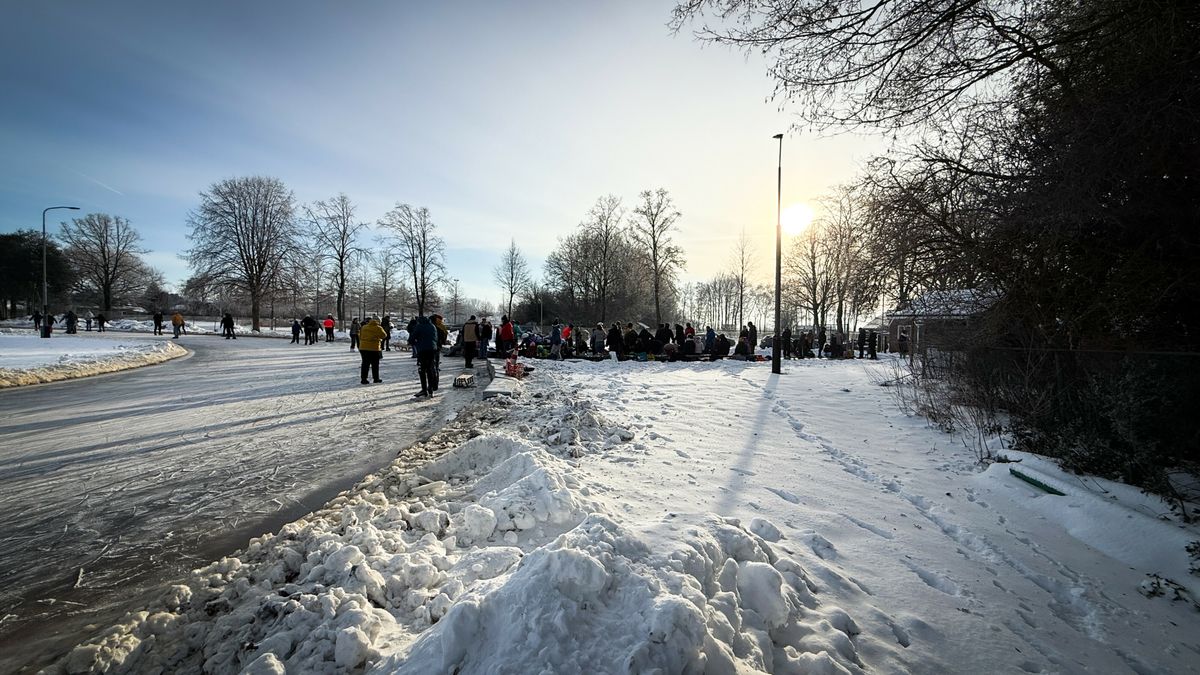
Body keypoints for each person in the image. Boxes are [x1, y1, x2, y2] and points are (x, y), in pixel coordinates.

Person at [411, 315, 439, 397]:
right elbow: (435, 338)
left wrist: (415, 343)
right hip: (432, 350)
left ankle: (424, 389)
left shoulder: (419, 326)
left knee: (422, 370)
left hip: (422, 350)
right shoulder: (432, 326)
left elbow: (412, 338)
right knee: (430, 369)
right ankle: (430, 388)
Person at [357, 316, 386, 384]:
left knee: (365, 363)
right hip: (374, 348)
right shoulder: (378, 328)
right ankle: (376, 378)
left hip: (363, 348)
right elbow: (384, 335)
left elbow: (359, 335)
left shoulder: (364, 327)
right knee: (375, 364)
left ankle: (364, 379)